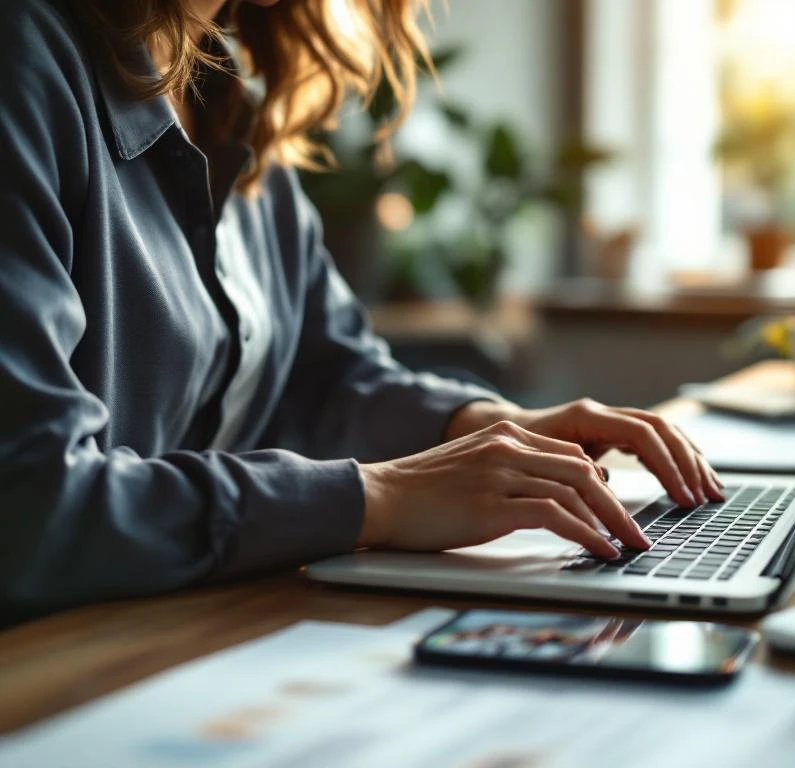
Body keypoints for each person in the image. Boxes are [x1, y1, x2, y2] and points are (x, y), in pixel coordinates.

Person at [0, 0, 722, 624]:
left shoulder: (231, 98)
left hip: (181, 628)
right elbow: (30, 506)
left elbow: (320, 374)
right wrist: (376, 496)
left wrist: (484, 427)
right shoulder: (25, 57)